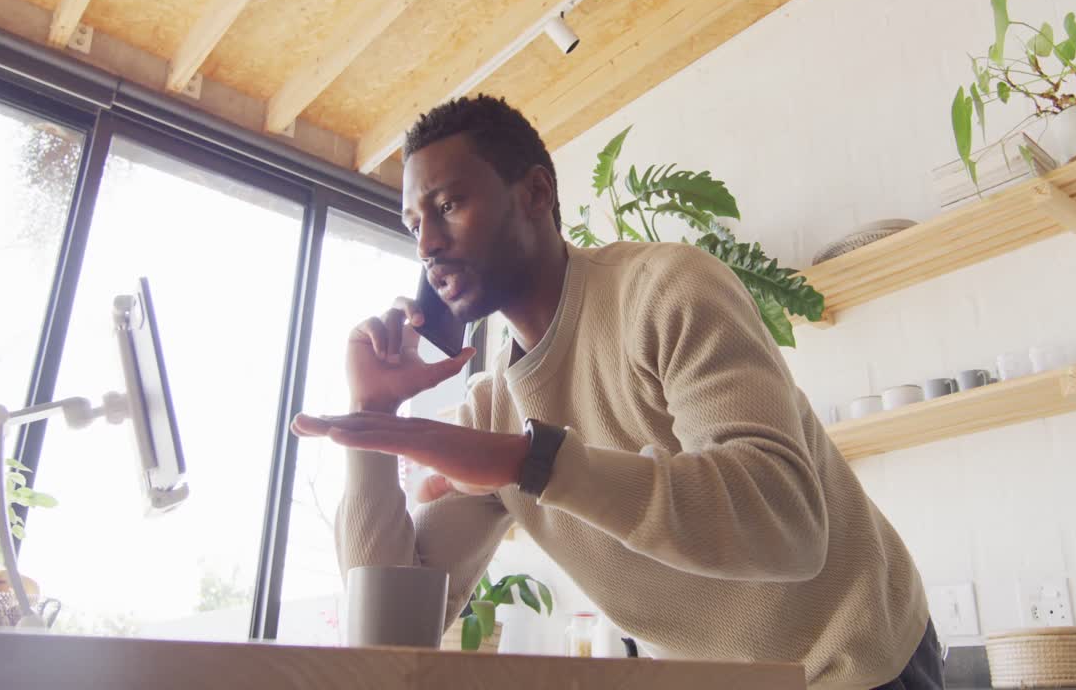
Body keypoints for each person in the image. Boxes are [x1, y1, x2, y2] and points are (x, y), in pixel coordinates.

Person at [292, 95, 942, 689]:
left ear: (535, 193)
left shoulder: (666, 291)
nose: (428, 245)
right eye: (414, 224)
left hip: (858, 662)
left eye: (448, 206)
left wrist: (531, 462)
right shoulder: (492, 414)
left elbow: (789, 526)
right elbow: (387, 637)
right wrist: (372, 416)